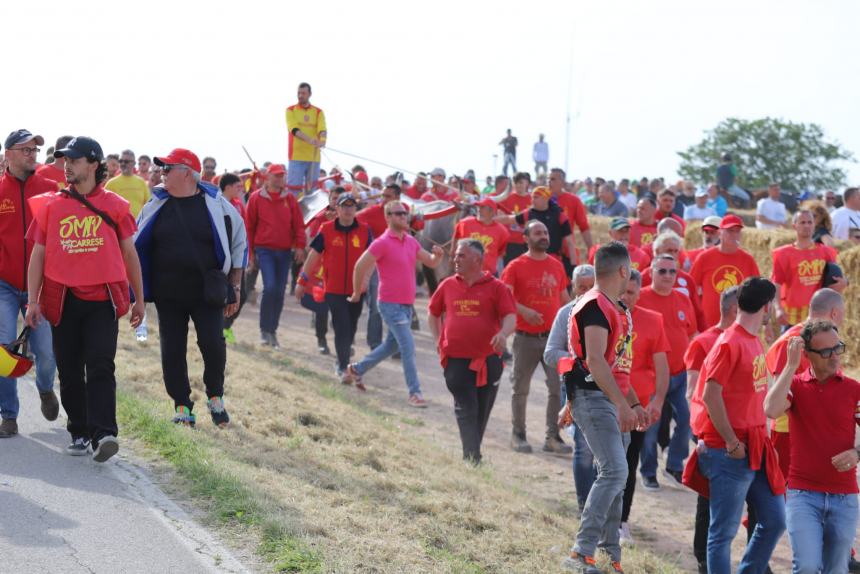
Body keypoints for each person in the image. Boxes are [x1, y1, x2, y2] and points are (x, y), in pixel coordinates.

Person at [25, 136, 144, 462]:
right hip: (62, 298)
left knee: (101, 365)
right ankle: (78, 430)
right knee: (70, 369)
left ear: (93, 164)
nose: (67, 167)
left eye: (74, 161)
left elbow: (130, 253)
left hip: (102, 300)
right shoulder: (50, 204)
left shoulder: (116, 206)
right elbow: (38, 254)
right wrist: (33, 301)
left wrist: (140, 299)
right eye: (65, 161)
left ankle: (104, 433)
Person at [135, 148, 247, 427]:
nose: (161, 172)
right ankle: (182, 405)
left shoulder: (218, 205)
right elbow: (134, 246)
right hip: (167, 293)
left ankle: (215, 396)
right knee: (172, 349)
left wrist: (235, 286)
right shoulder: (155, 205)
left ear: (186, 173)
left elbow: (239, 244)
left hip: (206, 292)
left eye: (167, 168)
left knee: (212, 344)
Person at [686, 277, 786, 573]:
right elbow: (708, 393)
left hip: (754, 446)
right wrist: (730, 441)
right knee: (723, 533)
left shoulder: (753, 338)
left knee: (775, 519)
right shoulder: (730, 342)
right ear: (767, 306)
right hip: (731, 451)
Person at [561, 242, 645, 574]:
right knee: (614, 472)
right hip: (594, 397)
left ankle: (609, 555)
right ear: (623, 271)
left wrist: (633, 402)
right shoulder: (595, 305)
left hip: (606, 398)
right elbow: (594, 360)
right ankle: (581, 552)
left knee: (615, 475)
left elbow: (615, 365)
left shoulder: (612, 306)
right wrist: (624, 405)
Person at [764, 321, 859, 574]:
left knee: (836, 569)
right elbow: (771, 409)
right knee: (806, 566)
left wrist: (857, 453)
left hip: (844, 497)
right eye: (826, 352)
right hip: (803, 495)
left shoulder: (854, 390)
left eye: (838, 348)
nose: (834, 356)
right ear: (808, 355)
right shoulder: (795, 386)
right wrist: (790, 366)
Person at [344, 201, 444, 407]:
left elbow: (431, 262)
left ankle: (356, 369)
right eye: (398, 214)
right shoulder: (381, 243)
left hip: (407, 306)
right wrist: (356, 292)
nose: (404, 217)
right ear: (387, 217)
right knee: (407, 346)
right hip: (390, 304)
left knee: (391, 346)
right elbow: (359, 266)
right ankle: (414, 393)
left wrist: (438, 256)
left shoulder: (411, 241)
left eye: (405, 213)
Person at [428, 239, 517, 463]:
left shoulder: (496, 287)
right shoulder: (448, 284)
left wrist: (503, 334)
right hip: (455, 359)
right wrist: (438, 339)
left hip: (488, 360)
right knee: (465, 406)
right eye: (456, 255)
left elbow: (510, 317)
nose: (455, 259)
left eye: (461, 256)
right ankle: (472, 457)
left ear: (477, 260)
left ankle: (472, 451)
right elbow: (433, 312)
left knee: (482, 408)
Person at [0, 129, 59, 438]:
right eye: (24, 150)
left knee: (46, 353)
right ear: (7, 154)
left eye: (34, 150)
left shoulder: (51, 189)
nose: (31, 155)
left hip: (41, 286)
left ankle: (46, 388)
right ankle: (9, 415)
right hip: (4, 285)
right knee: (4, 347)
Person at [502, 221, 572, 454]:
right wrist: (525, 312)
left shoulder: (556, 265)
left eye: (545, 232)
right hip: (525, 338)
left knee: (555, 388)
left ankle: (552, 437)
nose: (543, 236)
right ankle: (518, 434)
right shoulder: (515, 266)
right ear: (526, 238)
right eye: (537, 233)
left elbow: (564, 298)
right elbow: (505, 298)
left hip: (553, 339)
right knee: (520, 388)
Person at [684, 286, 739, 573]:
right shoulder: (703, 342)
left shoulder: (746, 339)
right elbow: (692, 392)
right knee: (709, 496)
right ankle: (703, 556)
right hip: (712, 432)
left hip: (740, 431)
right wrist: (700, 436)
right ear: (735, 310)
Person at [618, 269, 670, 546]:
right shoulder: (603, 316)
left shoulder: (652, 320)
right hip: (607, 401)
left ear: (640, 293)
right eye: (623, 291)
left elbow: (662, 366)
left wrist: (657, 401)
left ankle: (621, 520)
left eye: (632, 293)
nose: (626, 298)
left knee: (628, 463)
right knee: (602, 462)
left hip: (638, 409)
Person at [636, 255, 696, 490]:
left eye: (673, 272)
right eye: (663, 271)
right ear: (651, 272)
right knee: (650, 426)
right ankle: (648, 471)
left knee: (688, 418)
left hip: (680, 373)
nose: (669, 276)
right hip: (652, 376)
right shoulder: (640, 297)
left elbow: (690, 332)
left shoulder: (682, 298)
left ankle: (674, 464)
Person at [297, 193, 372, 378]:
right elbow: (313, 256)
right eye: (344, 206)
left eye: (351, 206)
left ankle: (342, 359)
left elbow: (373, 258)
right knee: (342, 326)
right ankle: (343, 365)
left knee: (351, 326)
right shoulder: (326, 229)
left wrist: (366, 279)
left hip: (356, 289)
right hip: (333, 289)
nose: (348, 210)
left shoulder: (364, 230)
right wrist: (302, 280)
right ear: (336, 209)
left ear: (356, 209)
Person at [545, 264, 596, 514]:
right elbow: (551, 353)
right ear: (573, 287)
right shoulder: (565, 314)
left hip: (606, 390)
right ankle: (584, 505)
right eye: (580, 287)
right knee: (584, 445)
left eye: (590, 287)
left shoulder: (609, 313)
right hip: (576, 389)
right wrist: (581, 362)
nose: (585, 292)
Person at [245, 163, 306, 347]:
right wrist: (251, 254)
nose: (280, 179)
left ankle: (272, 331)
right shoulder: (256, 198)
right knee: (270, 287)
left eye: (282, 176)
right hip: (265, 250)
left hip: (285, 251)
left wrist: (301, 247)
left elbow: (298, 225)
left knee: (279, 292)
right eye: (277, 176)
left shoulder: (290, 199)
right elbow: (249, 227)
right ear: (267, 177)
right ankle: (264, 330)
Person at [105, 149, 152, 342]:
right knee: (117, 277)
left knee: (136, 277)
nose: (124, 164)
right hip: (115, 238)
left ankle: (140, 322)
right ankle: (115, 313)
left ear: (134, 164)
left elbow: (148, 207)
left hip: (137, 237)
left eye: (128, 161)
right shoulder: (112, 184)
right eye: (122, 161)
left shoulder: (141, 183)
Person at [771, 210, 843, 327]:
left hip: (819, 315)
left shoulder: (825, 252)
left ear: (814, 225)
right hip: (793, 318)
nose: (807, 226)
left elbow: (837, 276)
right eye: (802, 222)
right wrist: (778, 309)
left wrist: (845, 282)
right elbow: (776, 284)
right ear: (795, 226)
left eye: (810, 222)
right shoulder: (784, 254)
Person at [689, 214, 760, 328]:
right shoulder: (704, 257)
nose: (734, 235)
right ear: (719, 233)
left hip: (738, 324)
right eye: (730, 231)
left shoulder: (748, 260)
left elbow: (757, 292)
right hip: (708, 323)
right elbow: (690, 287)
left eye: (737, 231)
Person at [495, 186, 576, 275]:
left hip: (553, 259)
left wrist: (573, 266)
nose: (532, 200)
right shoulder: (529, 213)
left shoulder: (560, 215)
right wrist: (491, 219)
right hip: (531, 259)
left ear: (545, 198)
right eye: (532, 197)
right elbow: (509, 219)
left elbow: (570, 243)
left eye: (536, 197)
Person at [219, 173, 249, 345]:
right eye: (237, 186)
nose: (240, 189)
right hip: (222, 258)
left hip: (237, 257)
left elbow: (243, 233)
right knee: (221, 293)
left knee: (241, 294)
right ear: (228, 187)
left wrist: (247, 255)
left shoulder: (238, 205)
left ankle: (225, 325)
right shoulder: (215, 203)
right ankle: (218, 326)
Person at [286, 82, 327, 194]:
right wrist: (310, 140)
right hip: (296, 157)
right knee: (293, 190)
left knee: (312, 192)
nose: (300, 96)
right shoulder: (290, 110)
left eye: (303, 93)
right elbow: (294, 130)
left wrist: (323, 141)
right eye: (299, 93)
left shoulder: (318, 112)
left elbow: (322, 129)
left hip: (314, 158)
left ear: (310, 94)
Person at [548, 168, 593, 269]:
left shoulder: (573, 200)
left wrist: (590, 248)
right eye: (548, 179)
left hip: (567, 251)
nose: (549, 182)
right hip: (546, 250)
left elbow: (584, 226)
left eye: (553, 179)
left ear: (562, 182)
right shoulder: (542, 199)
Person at [451, 198, 509, 275]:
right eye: (478, 207)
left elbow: (500, 252)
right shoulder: (465, 223)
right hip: (466, 272)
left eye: (482, 208)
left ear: (492, 212)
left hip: (488, 274)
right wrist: (452, 256)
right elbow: (456, 239)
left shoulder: (502, 231)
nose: (479, 210)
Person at [587, 217, 651, 272]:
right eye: (619, 230)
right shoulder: (598, 252)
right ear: (610, 233)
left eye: (626, 231)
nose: (624, 234)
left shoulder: (641, 255)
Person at [498, 172, 532, 264]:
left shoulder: (532, 199)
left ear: (527, 183)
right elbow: (499, 216)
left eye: (521, 182)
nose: (518, 185)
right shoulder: (506, 198)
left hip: (527, 242)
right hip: (511, 242)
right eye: (515, 182)